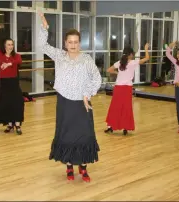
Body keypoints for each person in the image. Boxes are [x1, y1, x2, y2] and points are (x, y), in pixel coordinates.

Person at [39, 12, 102, 182]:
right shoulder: (60, 56)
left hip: (83, 103)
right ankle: (68, 165)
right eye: (70, 42)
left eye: (76, 42)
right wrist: (44, 28)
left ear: (79, 43)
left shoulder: (87, 59)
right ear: (65, 43)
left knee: (84, 134)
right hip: (65, 102)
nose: (73, 45)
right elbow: (43, 46)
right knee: (66, 134)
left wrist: (87, 94)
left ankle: (83, 166)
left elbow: (97, 78)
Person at [105, 44, 150, 135]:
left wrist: (117, 73)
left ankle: (111, 127)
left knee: (115, 107)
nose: (133, 55)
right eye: (132, 54)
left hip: (118, 88)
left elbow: (108, 70)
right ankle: (125, 128)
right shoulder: (133, 62)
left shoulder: (120, 62)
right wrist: (145, 49)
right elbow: (147, 58)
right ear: (130, 54)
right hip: (127, 89)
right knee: (126, 108)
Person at [0, 24, 24, 135]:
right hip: (4, 82)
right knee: (6, 104)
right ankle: (10, 124)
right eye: (8, 45)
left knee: (17, 103)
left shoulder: (17, 56)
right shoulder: (0, 55)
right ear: (5, 46)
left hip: (13, 82)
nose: (10, 46)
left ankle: (17, 125)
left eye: (12, 44)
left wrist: (9, 63)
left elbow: (19, 62)